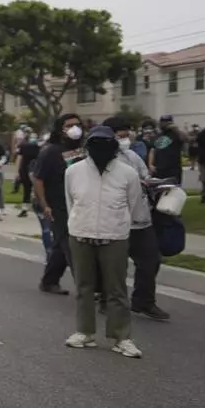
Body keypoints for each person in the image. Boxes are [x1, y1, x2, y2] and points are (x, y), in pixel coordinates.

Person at [63, 126, 143, 359]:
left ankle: (121, 337)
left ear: (114, 147)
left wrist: (118, 224)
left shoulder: (128, 174)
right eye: (95, 144)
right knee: (84, 287)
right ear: (88, 147)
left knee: (116, 289)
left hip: (114, 236)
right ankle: (84, 332)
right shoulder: (73, 172)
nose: (100, 149)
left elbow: (134, 206)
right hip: (81, 234)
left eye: (105, 144)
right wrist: (80, 224)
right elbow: (71, 203)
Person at [103, 116, 171, 321]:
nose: (125, 137)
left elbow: (145, 176)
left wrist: (155, 184)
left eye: (127, 132)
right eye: (120, 133)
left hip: (141, 219)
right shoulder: (100, 159)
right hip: (115, 220)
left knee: (151, 260)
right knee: (115, 264)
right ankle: (108, 300)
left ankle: (143, 301)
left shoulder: (132, 156)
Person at [32, 113, 85, 296]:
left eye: (77, 125)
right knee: (71, 244)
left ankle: (49, 281)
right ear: (60, 129)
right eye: (69, 125)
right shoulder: (50, 151)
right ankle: (86, 287)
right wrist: (44, 204)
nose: (74, 129)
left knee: (60, 246)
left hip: (78, 203)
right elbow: (38, 179)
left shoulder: (83, 149)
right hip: (57, 205)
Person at [148, 115, 185, 184]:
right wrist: (150, 165)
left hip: (173, 170)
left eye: (167, 123)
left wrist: (176, 129)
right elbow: (152, 150)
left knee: (173, 188)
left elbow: (184, 138)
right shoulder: (157, 135)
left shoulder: (176, 134)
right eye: (162, 122)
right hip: (158, 169)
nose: (164, 124)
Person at [15, 130, 41, 216]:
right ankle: (38, 206)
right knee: (37, 189)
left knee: (27, 190)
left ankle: (25, 209)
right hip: (36, 170)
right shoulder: (40, 147)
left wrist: (18, 171)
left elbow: (19, 158)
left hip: (25, 169)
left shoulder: (23, 146)